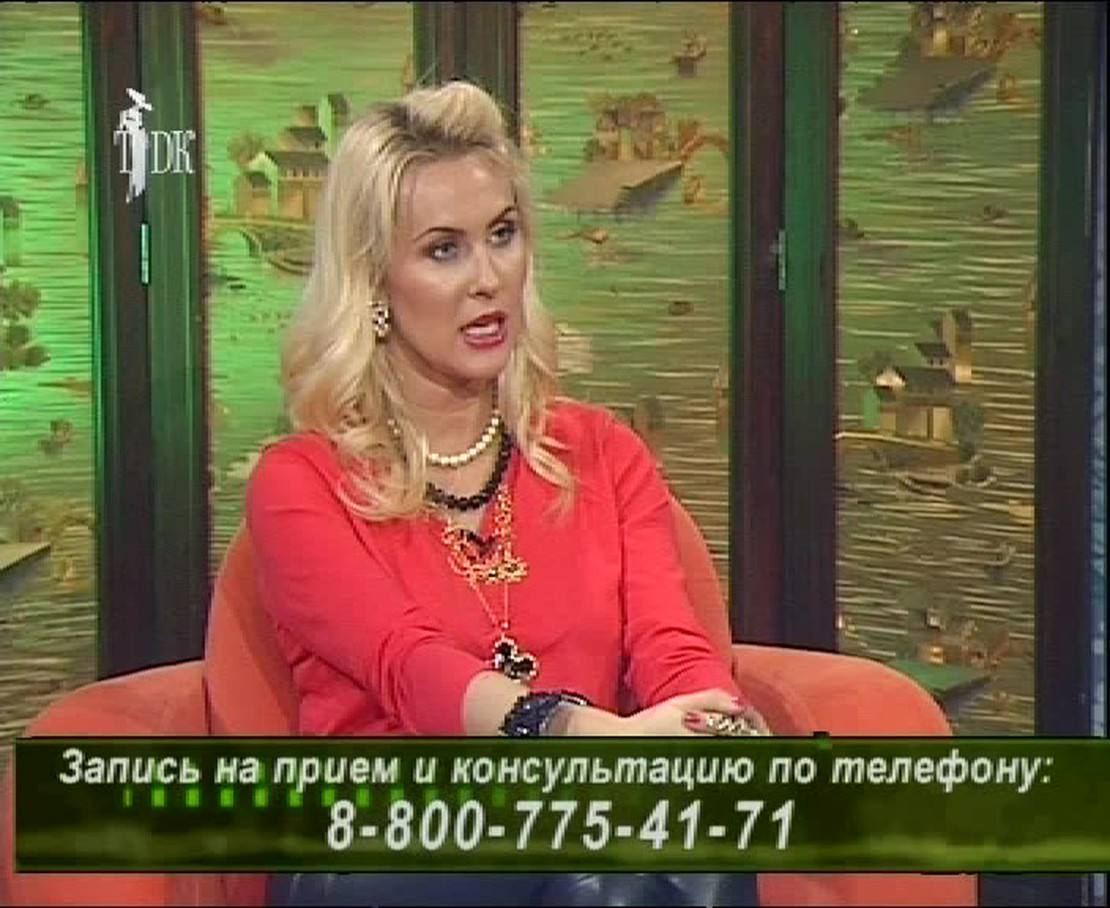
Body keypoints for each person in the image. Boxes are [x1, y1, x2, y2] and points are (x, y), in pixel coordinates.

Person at [247, 79, 767, 907]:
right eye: (443, 250)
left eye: (502, 235)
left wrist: (713, 727)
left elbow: (670, 644)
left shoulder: (602, 453)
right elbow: (408, 664)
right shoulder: (301, 483)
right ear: (374, 281)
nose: (488, 279)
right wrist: (588, 738)